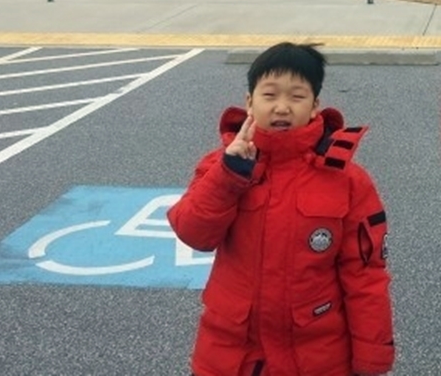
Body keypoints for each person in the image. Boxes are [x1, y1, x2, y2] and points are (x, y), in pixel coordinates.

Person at [168, 42, 395, 376]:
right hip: (232, 351)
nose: (282, 108)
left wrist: (372, 359)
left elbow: (365, 277)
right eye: (270, 95)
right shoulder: (220, 166)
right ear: (249, 102)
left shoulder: (347, 180)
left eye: (297, 97)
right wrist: (228, 176)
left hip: (317, 355)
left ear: (316, 106)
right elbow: (193, 233)